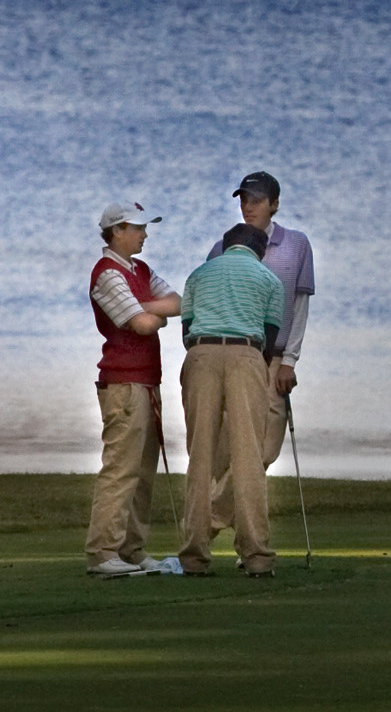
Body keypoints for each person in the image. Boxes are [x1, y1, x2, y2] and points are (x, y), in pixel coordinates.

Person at [176, 220, 287, 578]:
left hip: (201, 354)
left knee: (200, 455)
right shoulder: (269, 280)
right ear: (261, 251)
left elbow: (186, 326)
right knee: (249, 456)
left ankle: (194, 555)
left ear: (226, 247)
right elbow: (270, 340)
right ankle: (256, 555)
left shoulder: (199, 274)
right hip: (246, 355)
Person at [211, 170, 317, 535]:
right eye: (243, 200)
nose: (248, 207)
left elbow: (300, 306)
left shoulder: (296, 245)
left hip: (274, 361)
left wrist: (290, 360)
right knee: (230, 450)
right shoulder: (226, 245)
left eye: (256, 200)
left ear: (274, 204)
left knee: (265, 451)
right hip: (236, 358)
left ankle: (206, 521)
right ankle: (246, 541)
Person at [83, 201, 182, 579]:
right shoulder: (107, 274)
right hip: (122, 382)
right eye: (138, 227)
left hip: (146, 381)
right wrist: (151, 314)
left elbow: (178, 302)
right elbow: (141, 324)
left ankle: (131, 548)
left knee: (143, 472)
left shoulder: (139, 269)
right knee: (121, 469)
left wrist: (146, 309)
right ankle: (103, 552)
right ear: (118, 230)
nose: (145, 233)